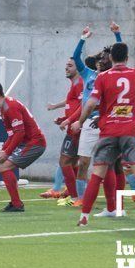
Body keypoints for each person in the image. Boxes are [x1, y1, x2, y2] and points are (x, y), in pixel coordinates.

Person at [72, 41, 135, 228]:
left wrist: (79, 122)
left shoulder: (103, 77)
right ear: (127, 57)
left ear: (112, 58)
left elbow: (90, 103)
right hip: (130, 132)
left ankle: (84, 217)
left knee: (97, 174)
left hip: (108, 132)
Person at [70, 22, 124, 212]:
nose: (102, 60)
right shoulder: (88, 74)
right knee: (83, 162)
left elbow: (121, 54)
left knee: (112, 164)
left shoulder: (114, 76)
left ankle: (117, 203)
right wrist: (82, 38)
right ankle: (81, 199)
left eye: (106, 58)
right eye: (101, 58)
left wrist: (117, 35)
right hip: (88, 123)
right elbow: (76, 58)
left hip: (107, 122)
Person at [0, 80, 47, 212]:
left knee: (4, 165)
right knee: (3, 166)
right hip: (27, 142)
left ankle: (17, 204)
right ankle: (16, 203)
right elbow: (12, 134)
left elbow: (20, 132)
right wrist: (3, 149)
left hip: (35, 143)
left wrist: (6, 153)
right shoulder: (4, 107)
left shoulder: (9, 107)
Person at [46, 58, 83, 206]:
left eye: (70, 66)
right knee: (72, 162)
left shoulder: (80, 83)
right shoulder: (74, 84)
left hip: (76, 129)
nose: (66, 68)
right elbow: (73, 104)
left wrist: (71, 121)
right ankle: (75, 194)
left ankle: (75, 196)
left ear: (78, 68)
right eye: (66, 65)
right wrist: (63, 118)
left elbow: (84, 105)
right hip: (73, 126)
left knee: (65, 161)